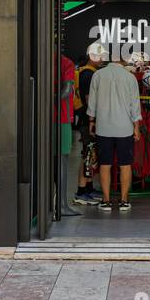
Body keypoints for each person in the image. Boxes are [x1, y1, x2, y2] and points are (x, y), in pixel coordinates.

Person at [87, 51, 143, 211]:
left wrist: (92, 121)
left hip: (103, 127)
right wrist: (136, 127)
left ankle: (105, 201)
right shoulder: (130, 77)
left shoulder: (98, 75)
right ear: (124, 60)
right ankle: (124, 200)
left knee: (105, 164)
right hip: (125, 128)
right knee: (125, 165)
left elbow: (93, 101)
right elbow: (135, 105)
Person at [73, 44, 105, 205]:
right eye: (100, 56)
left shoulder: (86, 73)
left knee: (91, 155)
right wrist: (94, 119)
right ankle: (81, 191)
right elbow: (89, 100)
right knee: (88, 154)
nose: (102, 59)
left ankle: (89, 187)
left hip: (87, 119)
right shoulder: (89, 75)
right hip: (88, 121)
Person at [58, 51, 81, 216]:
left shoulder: (38, 59)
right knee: (62, 161)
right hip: (61, 118)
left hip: (41, 117)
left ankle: (56, 203)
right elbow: (66, 90)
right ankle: (62, 204)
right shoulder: (66, 63)